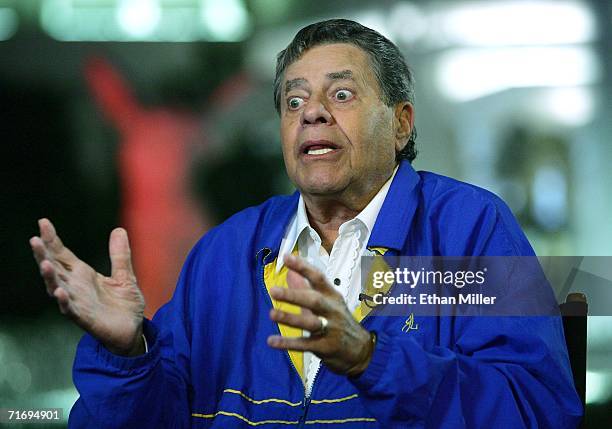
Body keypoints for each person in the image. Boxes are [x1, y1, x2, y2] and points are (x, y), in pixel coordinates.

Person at [30, 19, 582, 428]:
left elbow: (536, 410)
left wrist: (372, 359)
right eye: (294, 102)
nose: (311, 113)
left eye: (340, 94)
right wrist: (128, 358)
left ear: (401, 122)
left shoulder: (470, 230)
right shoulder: (224, 253)